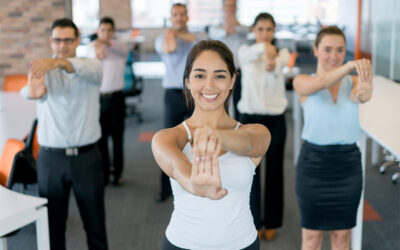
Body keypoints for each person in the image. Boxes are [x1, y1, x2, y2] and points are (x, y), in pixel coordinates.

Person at [152, 40, 270, 250]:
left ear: (232, 80)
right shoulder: (167, 138)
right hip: (182, 245)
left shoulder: (255, 132)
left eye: (220, 76)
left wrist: (215, 135)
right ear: (187, 81)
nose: (209, 85)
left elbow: (252, 144)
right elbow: (179, 168)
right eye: (199, 75)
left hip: (242, 245)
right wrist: (194, 185)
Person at [20, 18, 108, 250]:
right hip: (51, 159)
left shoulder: (92, 66)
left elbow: (75, 67)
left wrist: (56, 63)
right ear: (51, 41)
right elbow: (27, 91)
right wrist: (32, 92)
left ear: (78, 40)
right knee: (52, 228)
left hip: (87, 159)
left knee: (95, 225)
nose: (63, 45)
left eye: (68, 40)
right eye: (58, 40)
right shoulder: (41, 70)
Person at [293, 26, 373, 250]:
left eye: (340, 50)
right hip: (313, 166)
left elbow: (363, 95)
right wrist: (349, 66)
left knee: (342, 238)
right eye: (327, 49)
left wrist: (367, 88)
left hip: (347, 166)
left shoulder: (353, 83)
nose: (334, 56)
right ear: (315, 50)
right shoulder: (302, 81)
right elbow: (321, 84)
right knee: (311, 238)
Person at [237, 12, 290, 240]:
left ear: (274, 31)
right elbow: (247, 57)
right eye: (260, 29)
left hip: (275, 119)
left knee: (275, 171)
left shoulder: (283, 54)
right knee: (251, 173)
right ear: (253, 30)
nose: (265, 33)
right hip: (249, 118)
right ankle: (253, 221)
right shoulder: (245, 51)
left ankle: (272, 221)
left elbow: (276, 66)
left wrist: (271, 59)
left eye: (269, 29)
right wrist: (263, 49)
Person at [154, 3, 199, 202]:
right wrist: (173, 35)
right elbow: (170, 47)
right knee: (169, 142)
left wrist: (177, 33)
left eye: (182, 14)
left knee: (196, 140)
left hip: (194, 94)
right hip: (173, 94)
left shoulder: (196, 39)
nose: (179, 18)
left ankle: (195, 182)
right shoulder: (161, 40)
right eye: (175, 15)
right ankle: (166, 189)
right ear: (171, 18)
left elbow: (196, 41)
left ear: (187, 17)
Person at [89, 16, 134, 186]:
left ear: (113, 32)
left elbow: (123, 49)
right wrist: (97, 47)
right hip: (99, 99)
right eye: (102, 31)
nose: (106, 34)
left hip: (116, 99)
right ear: (98, 32)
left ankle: (118, 175)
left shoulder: (120, 48)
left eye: (109, 30)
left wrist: (106, 44)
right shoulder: (91, 49)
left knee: (117, 139)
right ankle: (105, 174)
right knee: (101, 140)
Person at [208, 0, 249, 119]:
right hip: (220, 72)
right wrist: (227, 29)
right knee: (221, 102)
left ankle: (239, 132)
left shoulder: (242, 29)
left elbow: (246, 32)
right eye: (227, 6)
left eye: (232, 6)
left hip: (239, 71)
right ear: (223, 8)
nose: (230, 8)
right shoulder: (216, 28)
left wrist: (235, 26)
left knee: (239, 102)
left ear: (236, 8)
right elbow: (214, 34)